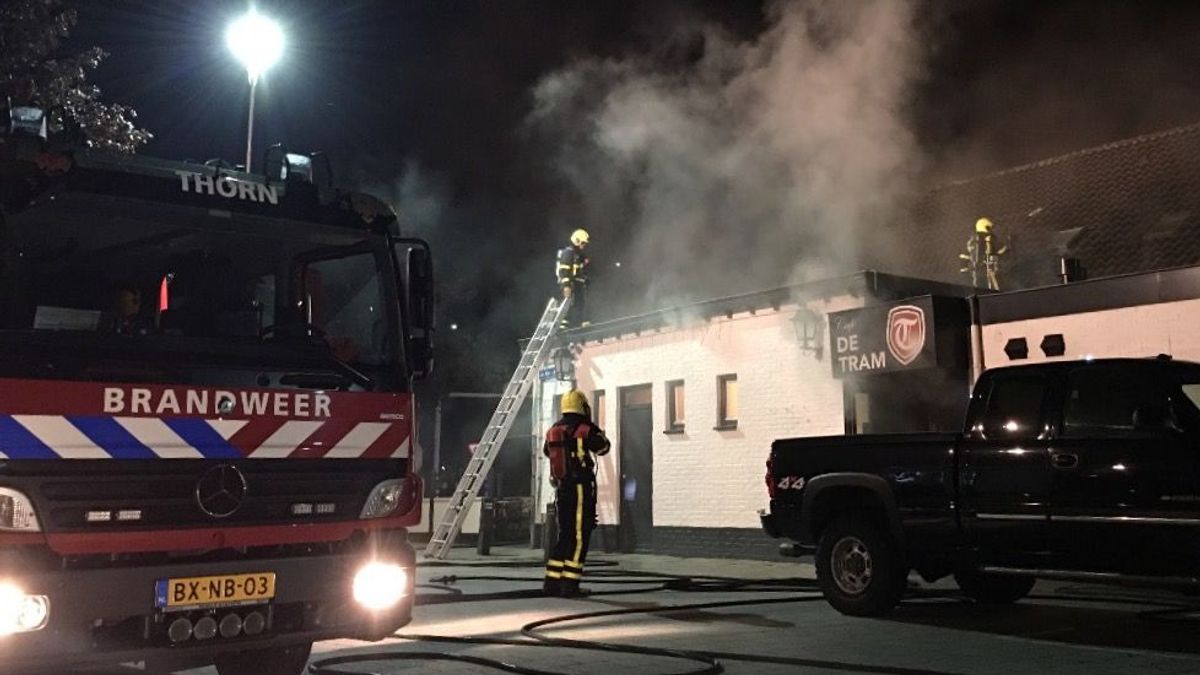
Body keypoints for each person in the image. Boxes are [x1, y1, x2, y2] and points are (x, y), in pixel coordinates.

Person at [543, 388, 610, 598]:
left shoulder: (555, 428)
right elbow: (603, 448)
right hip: (580, 488)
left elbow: (548, 452)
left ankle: (552, 583)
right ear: (582, 406)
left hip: (562, 489)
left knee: (565, 535)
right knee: (580, 536)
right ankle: (570, 586)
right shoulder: (585, 428)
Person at [555, 229, 591, 328]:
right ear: (577, 240)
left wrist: (585, 279)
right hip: (570, 285)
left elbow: (580, 270)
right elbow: (564, 270)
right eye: (583, 243)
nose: (584, 245)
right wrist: (566, 286)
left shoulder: (578, 255)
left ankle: (581, 324)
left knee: (580, 305)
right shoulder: (568, 253)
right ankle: (562, 328)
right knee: (567, 307)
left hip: (578, 285)